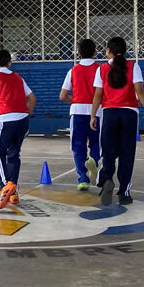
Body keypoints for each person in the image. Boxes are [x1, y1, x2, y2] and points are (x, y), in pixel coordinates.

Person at [90, 37, 144, 207]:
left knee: (108, 152)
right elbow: (139, 91)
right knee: (127, 153)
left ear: (109, 51)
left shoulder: (102, 69)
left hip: (109, 113)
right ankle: (124, 192)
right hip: (130, 114)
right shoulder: (133, 66)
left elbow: (97, 94)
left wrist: (92, 115)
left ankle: (105, 182)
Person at [0, 49, 36, 210]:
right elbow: (32, 98)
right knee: (13, 153)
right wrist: (27, 113)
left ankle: (5, 185)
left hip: (6, 119)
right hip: (22, 121)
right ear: (9, 63)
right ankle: (13, 194)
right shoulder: (17, 77)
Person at [59, 39, 101, 191]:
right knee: (97, 143)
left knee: (78, 146)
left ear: (78, 53)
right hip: (97, 112)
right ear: (95, 53)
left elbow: (63, 95)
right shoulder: (100, 69)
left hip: (77, 111)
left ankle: (82, 179)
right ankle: (94, 161)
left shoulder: (73, 70)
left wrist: (75, 100)